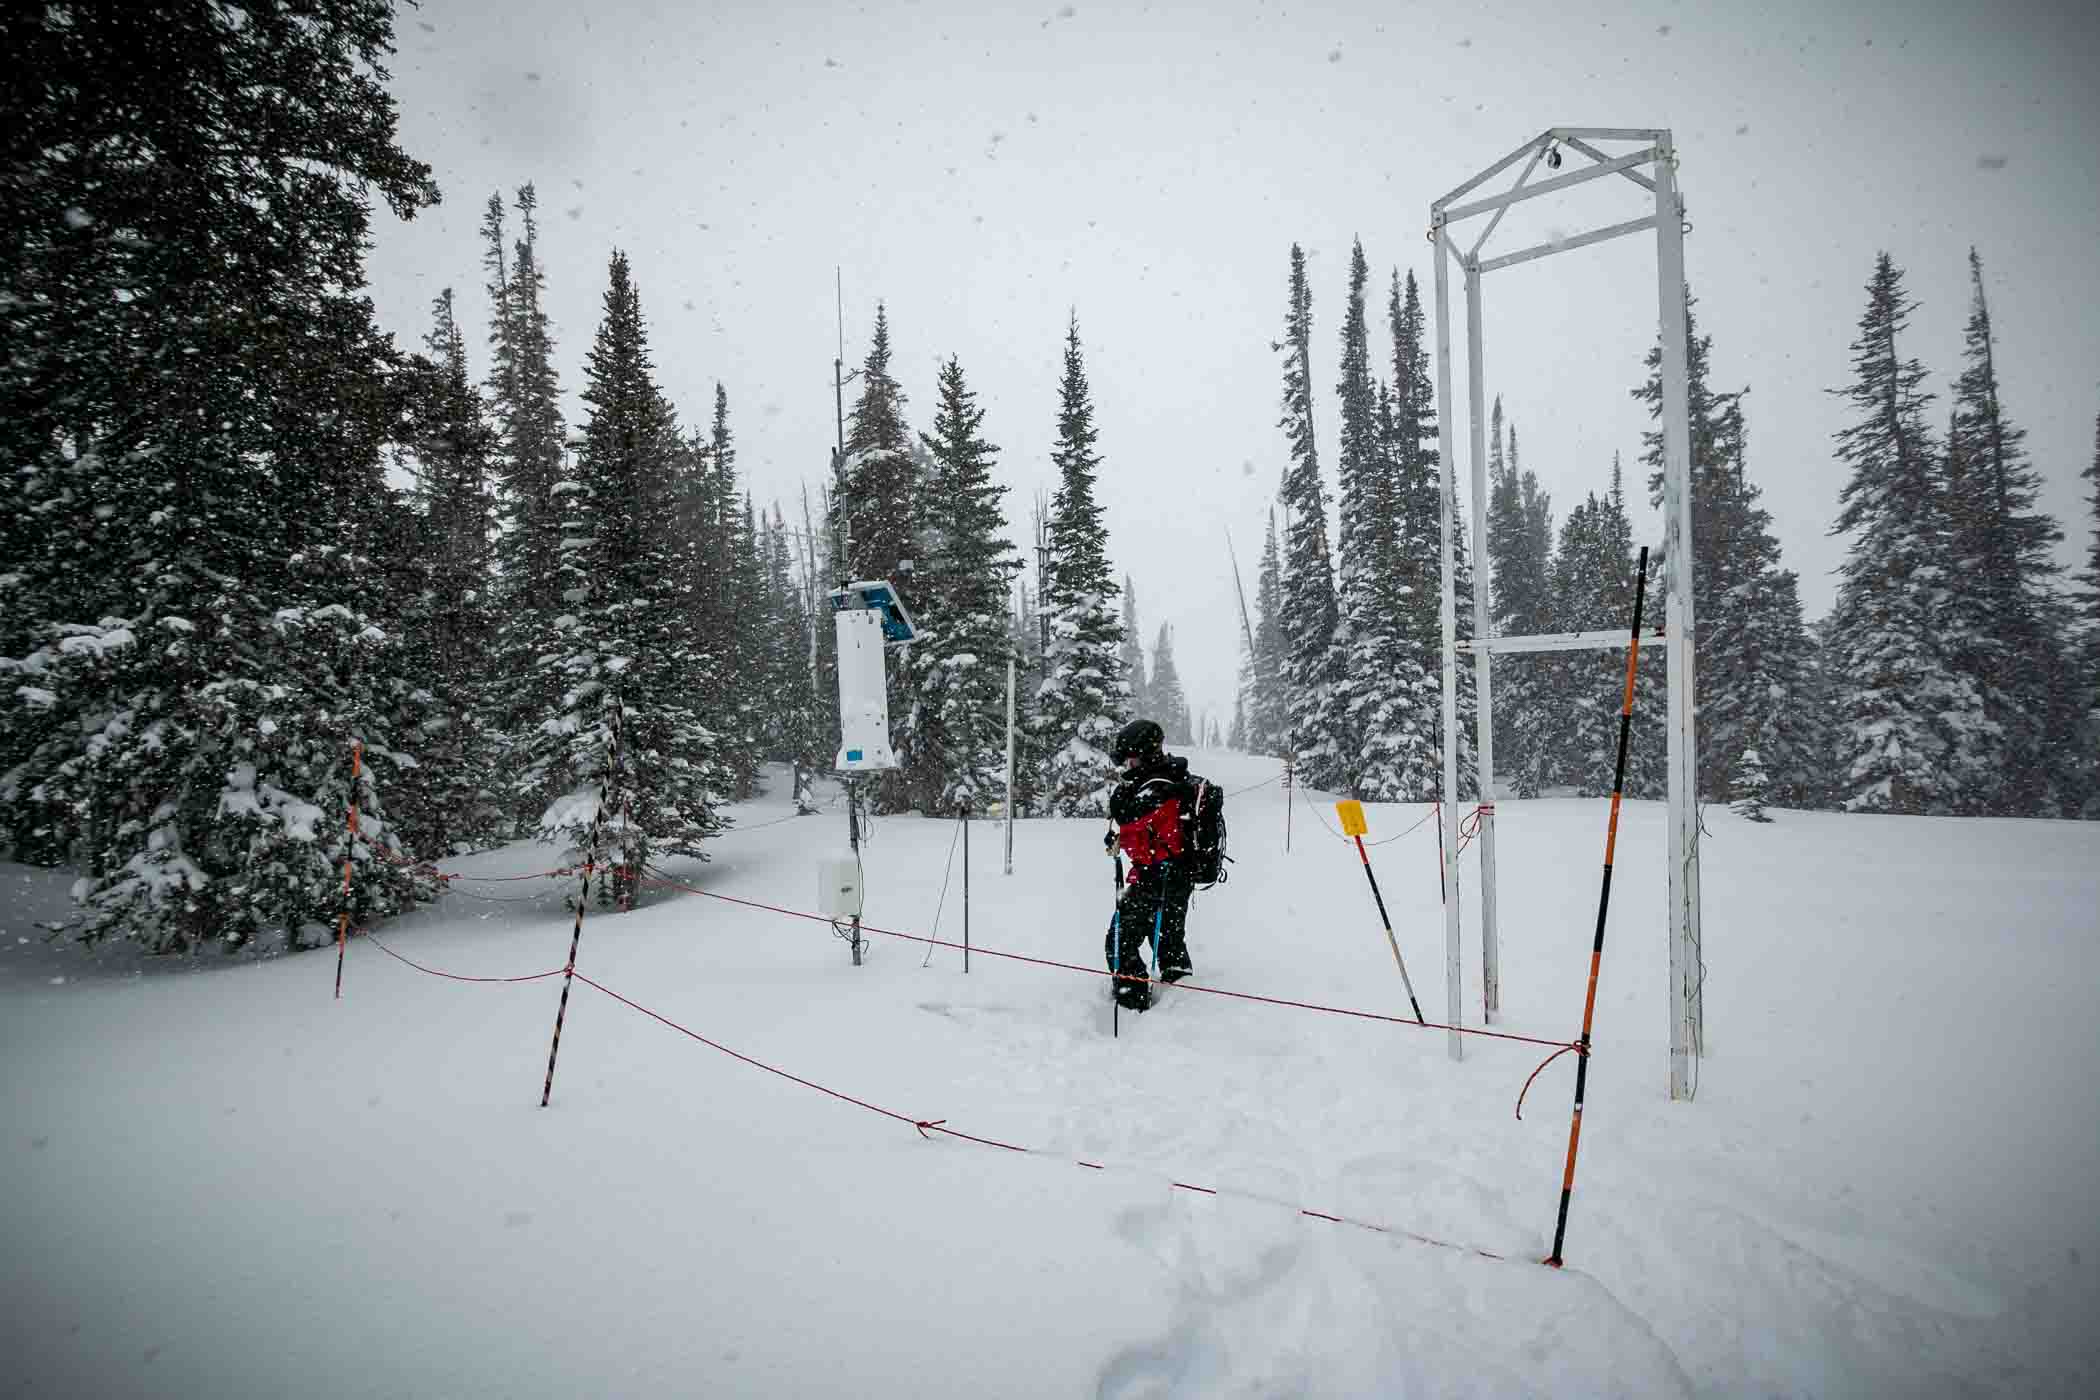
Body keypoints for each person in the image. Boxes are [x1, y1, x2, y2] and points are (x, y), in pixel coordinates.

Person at [1103, 718, 1205, 1011]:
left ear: (1146, 752)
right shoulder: (1164, 779)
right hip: (1168, 875)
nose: (1128, 766)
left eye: (1131, 759)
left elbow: (1130, 815)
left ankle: (1133, 1001)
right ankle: (1180, 998)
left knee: (1121, 939)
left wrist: (1123, 810)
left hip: (1161, 875)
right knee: (1168, 940)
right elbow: (1142, 829)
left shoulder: (1158, 787)